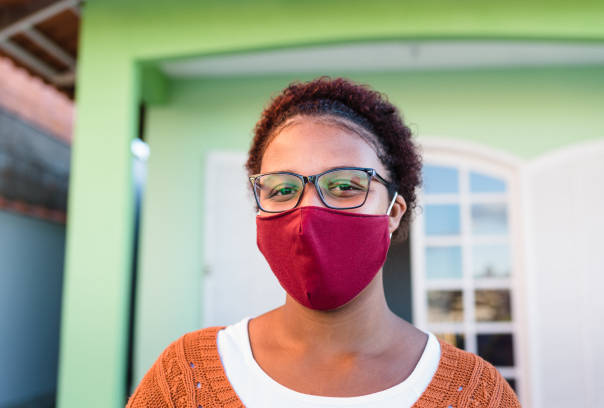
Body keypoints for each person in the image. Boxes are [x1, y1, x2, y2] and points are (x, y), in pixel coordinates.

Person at [126, 77, 521, 407]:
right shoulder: (186, 378)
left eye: (345, 185)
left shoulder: (475, 393)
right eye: (282, 189)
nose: (307, 213)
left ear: (394, 212)